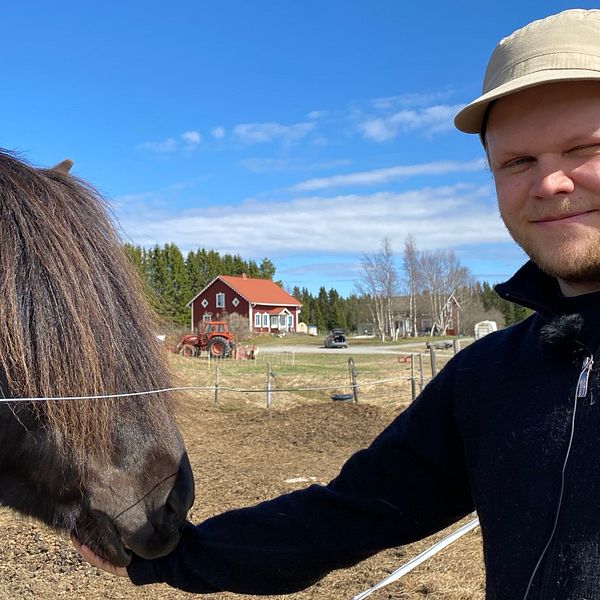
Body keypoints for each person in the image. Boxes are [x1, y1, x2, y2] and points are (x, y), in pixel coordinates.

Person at [74, 8, 600, 599]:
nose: (550, 183)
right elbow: (344, 518)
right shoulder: (489, 378)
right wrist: (159, 558)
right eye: (517, 161)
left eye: (585, 148)